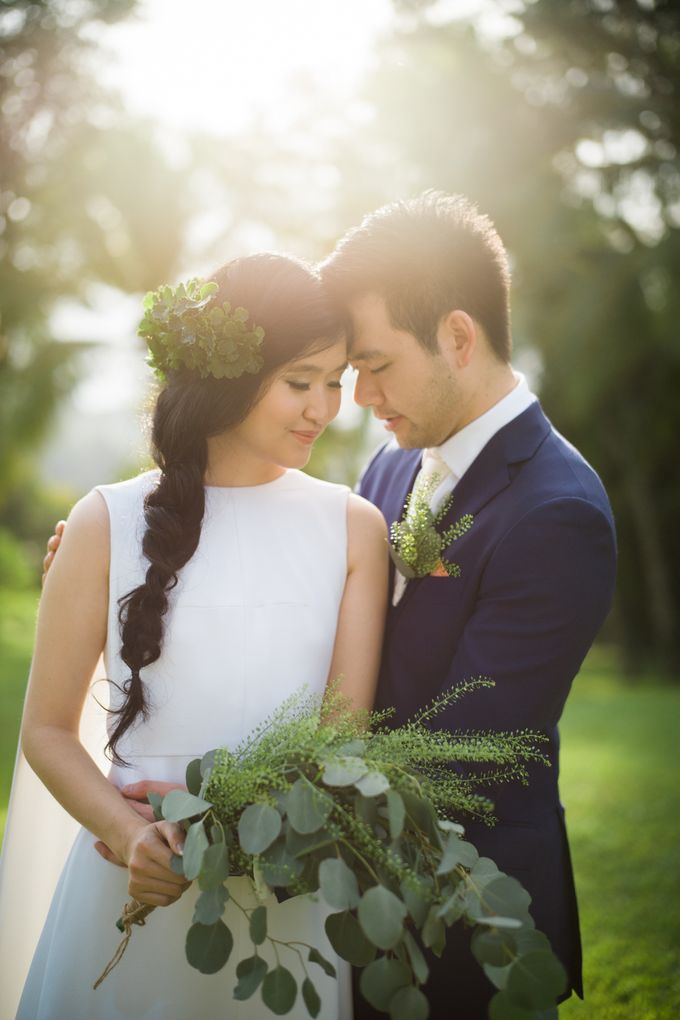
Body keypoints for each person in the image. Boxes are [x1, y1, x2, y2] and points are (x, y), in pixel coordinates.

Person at [1, 253, 388, 1020]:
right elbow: (46, 729)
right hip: (131, 882)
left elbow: (343, 744)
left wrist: (242, 820)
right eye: (299, 381)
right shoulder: (103, 519)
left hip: (287, 900)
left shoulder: (354, 528)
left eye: (335, 381)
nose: (324, 407)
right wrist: (127, 833)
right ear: (232, 377)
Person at [319, 192, 617, 1020]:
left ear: (457, 335)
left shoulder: (558, 511)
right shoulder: (390, 467)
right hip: (365, 905)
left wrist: (266, 797)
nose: (362, 395)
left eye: (376, 364)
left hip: (473, 915)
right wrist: (127, 551)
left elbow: (466, 748)